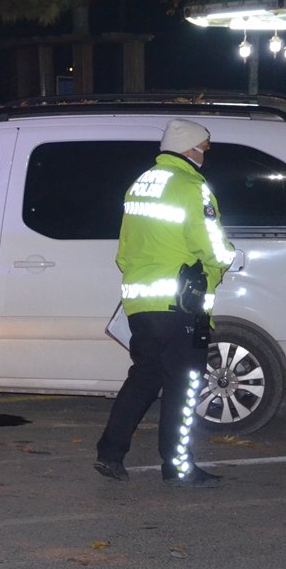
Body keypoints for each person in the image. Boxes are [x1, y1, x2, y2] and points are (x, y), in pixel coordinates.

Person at [94, 119, 236, 488]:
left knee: (144, 378)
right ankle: (177, 465)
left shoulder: (140, 184)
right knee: (183, 386)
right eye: (204, 148)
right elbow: (213, 246)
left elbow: (124, 252)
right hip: (180, 305)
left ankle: (110, 453)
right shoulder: (192, 186)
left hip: (141, 304)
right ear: (190, 148)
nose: (205, 155)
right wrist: (228, 257)